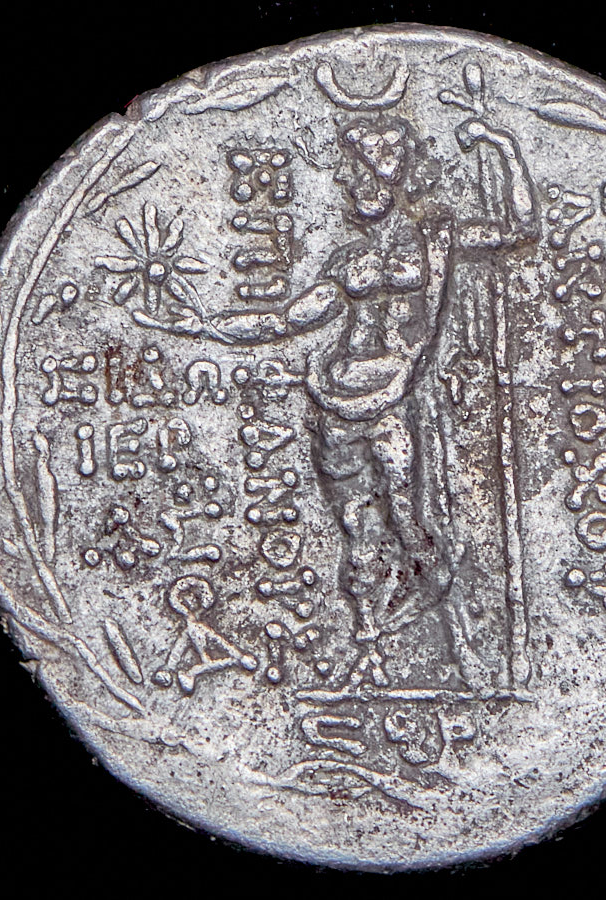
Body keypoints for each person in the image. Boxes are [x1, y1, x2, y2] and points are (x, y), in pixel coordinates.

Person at [133, 113, 537, 693]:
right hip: (335, 403)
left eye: (355, 173)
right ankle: (368, 651)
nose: (346, 184)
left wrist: (503, 145)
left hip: (394, 401)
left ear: (385, 175)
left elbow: (521, 228)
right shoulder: (348, 261)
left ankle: (456, 640)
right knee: (356, 529)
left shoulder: (440, 238)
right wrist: (203, 326)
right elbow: (286, 319)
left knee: (411, 523)